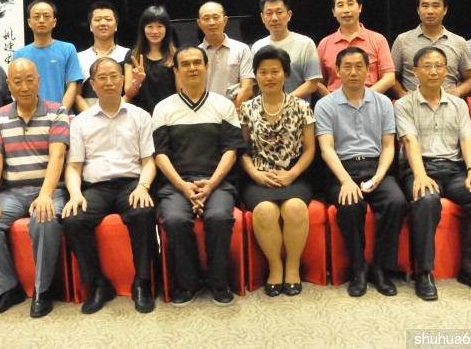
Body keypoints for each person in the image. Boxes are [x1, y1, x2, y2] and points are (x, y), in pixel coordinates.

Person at [395, 47, 471, 301]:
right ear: (415, 71)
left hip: (455, 170)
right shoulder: (404, 105)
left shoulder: (459, 104)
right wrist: (421, 175)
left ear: (446, 70)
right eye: (427, 66)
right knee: (426, 199)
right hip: (421, 168)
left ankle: (470, 267)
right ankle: (424, 272)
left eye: (439, 65)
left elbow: (467, 140)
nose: (434, 71)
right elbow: (410, 141)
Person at [0, 58, 69, 318]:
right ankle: (7, 289)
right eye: (17, 81)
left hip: (49, 190)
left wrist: (45, 195)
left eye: (29, 80)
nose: (24, 87)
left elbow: (57, 156)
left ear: (39, 81)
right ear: (8, 85)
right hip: (12, 193)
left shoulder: (57, 111)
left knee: (44, 219)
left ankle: (42, 290)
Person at [152, 46, 246, 306]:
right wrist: (183, 186)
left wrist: (211, 184)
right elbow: (160, 155)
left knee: (218, 217)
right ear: (176, 70)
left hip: (217, 182)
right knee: (174, 219)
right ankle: (188, 283)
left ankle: (218, 282)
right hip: (176, 184)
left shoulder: (223, 105)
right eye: (185, 64)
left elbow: (231, 151)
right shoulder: (163, 108)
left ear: (207, 67)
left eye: (197, 63)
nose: (192, 68)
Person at [63, 57, 157, 315]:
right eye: (102, 78)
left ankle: (142, 283)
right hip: (97, 188)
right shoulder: (81, 121)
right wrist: (75, 194)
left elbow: (149, 161)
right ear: (92, 84)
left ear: (123, 79)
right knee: (73, 219)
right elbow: (73, 166)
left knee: (144, 212)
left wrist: (143, 186)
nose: (109, 82)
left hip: (131, 184)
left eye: (114, 76)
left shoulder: (140, 116)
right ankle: (98, 284)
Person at [314, 47, 407, 298]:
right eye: (347, 67)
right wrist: (346, 181)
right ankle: (358, 269)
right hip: (341, 169)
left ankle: (381, 268)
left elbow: (389, 146)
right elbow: (326, 149)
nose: (353, 72)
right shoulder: (325, 105)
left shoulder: (383, 102)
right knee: (350, 204)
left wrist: (379, 176)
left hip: (376, 167)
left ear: (368, 71)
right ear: (337, 71)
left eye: (359, 67)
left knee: (396, 202)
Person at [238, 46, 315, 297]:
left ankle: (292, 267)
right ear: (256, 76)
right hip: (258, 177)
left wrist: (292, 174)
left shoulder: (301, 107)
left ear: (286, 74)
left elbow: (310, 150)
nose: (269, 77)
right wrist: (255, 174)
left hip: (295, 174)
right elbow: (243, 151)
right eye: (263, 72)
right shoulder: (246, 108)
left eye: (275, 71)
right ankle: (275, 266)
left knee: (295, 207)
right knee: (265, 210)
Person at [391, 0, 471, 98]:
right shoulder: (402, 40)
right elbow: (391, 76)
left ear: (445, 10)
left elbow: (470, 78)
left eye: (436, 6)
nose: (430, 11)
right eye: (425, 6)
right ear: (418, 10)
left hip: (448, 103)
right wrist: (402, 94)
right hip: (412, 103)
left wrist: (458, 91)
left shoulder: (459, 42)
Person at [317, 0, 395, 96]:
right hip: (335, 104)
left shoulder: (378, 40)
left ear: (360, 8)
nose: (346, 10)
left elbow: (389, 77)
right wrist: (333, 101)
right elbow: (317, 82)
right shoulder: (324, 44)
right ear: (333, 12)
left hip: (371, 101)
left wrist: (365, 98)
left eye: (350, 4)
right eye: (340, 5)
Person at [12, 0, 82, 112]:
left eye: (46, 16)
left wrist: (60, 113)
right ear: (29, 22)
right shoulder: (19, 54)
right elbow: (16, 88)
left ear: (54, 22)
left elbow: (73, 87)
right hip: (30, 116)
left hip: (62, 114)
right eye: (36, 16)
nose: (41, 20)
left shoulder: (68, 49)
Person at [251, 0, 322, 100]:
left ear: (289, 15)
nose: (274, 18)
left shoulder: (306, 43)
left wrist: (284, 102)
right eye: (269, 13)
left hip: (297, 108)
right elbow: (256, 82)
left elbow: (312, 83)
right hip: (265, 108)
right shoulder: (257, 46)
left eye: (279, 12)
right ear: (262, 17)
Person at [75, 1, 130, 113]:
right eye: (97, 19)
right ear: (90, 26)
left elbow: (129, 92)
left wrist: (114, 112)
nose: (103, 23)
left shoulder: (127, 54)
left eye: (108, 19)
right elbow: (76, 94)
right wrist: (90, 116)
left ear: (116, 26)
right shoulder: (78, 57)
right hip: (88, 118)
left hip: (120, 116)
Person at [197, 1, 254, 110]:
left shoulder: (242, 49)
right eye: (206, 19)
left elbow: (247, 88)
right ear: (199, 23)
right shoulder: (196, 54)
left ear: (225, 20)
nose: (211, 22)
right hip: (205, 114)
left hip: (235, 112)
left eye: (216, 17)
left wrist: (229, 114)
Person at [124, 6, 178, 114]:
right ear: (143, 28)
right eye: (150, 26)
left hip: (169, 115)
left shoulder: (176, 55)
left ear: (167, 29)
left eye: (160, 26)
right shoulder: (133, 56)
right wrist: (137, 81)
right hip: (140, 116)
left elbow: (180, 92)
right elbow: (128, 94)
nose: (155, 31)